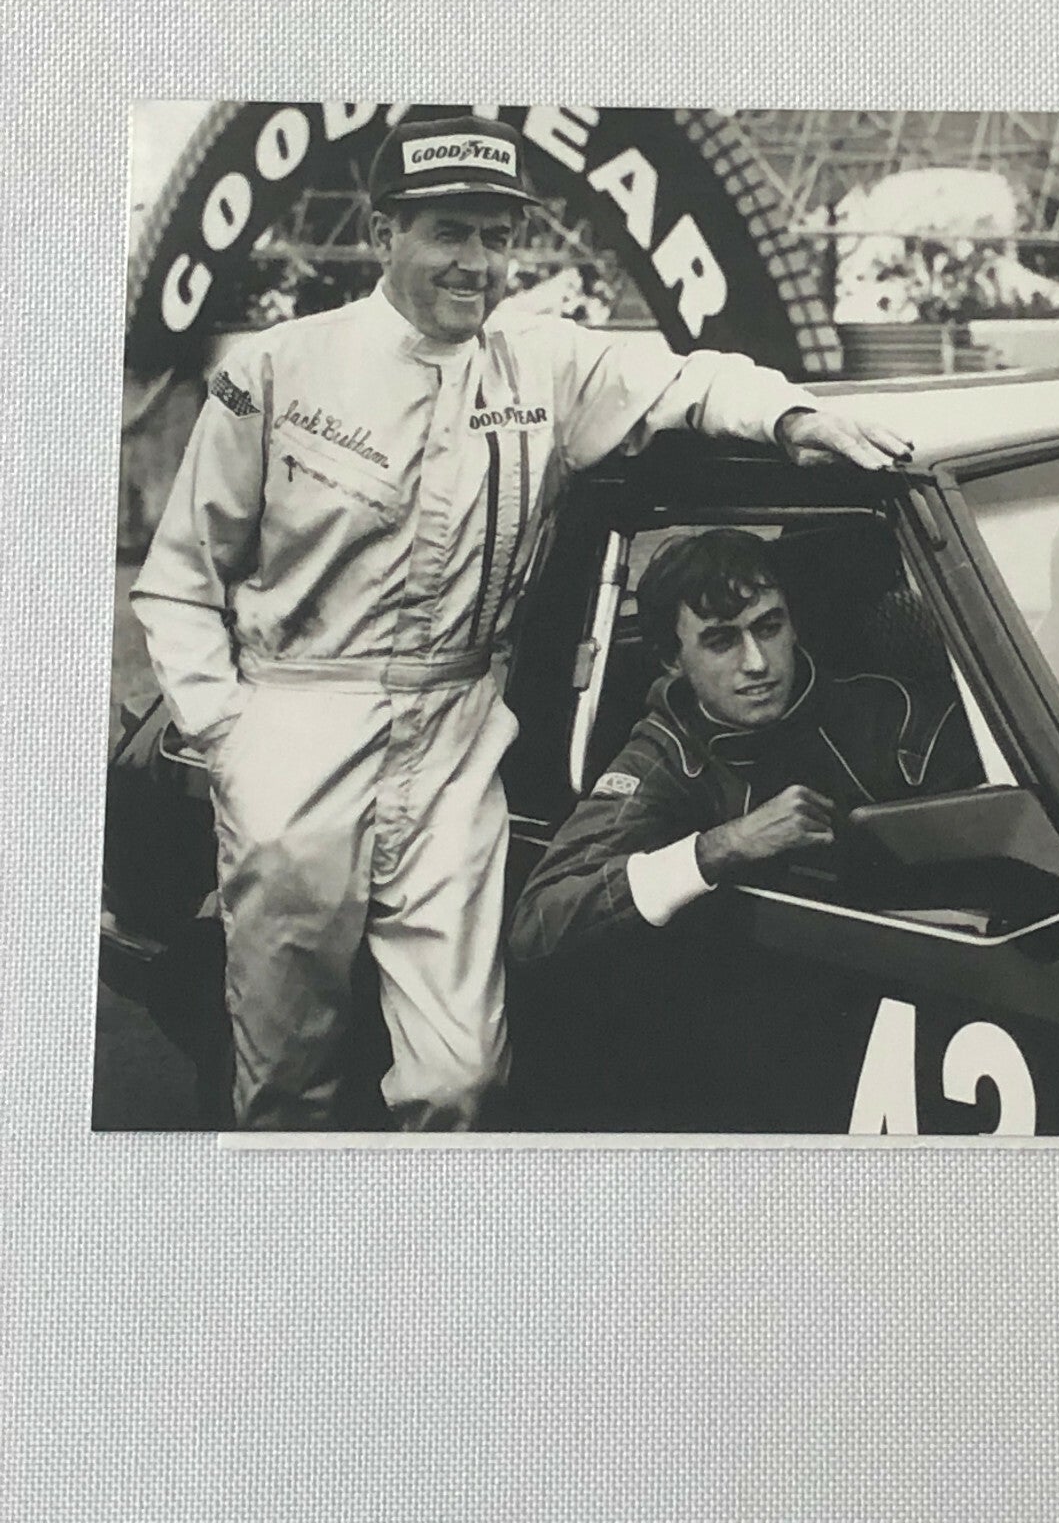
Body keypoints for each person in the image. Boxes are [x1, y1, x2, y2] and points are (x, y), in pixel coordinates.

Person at [131, 114, 911, 1131]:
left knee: (460, 1075)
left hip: (455, 735)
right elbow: (179, 579)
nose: (478, 262)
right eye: (450, 232)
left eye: (497, 237)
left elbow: (692, 378)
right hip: (296, 724)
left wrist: (793, 417)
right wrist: (234, 737)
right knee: (288, 1074)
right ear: (383, 233)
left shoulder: (544, 362)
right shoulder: (274, 369)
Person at [508, 528, 982, 964]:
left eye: (769, 627)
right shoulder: (664, 759)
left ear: (794, 627)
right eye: (721, 641)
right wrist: (721, 847)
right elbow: (538, 921)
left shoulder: (894, 714)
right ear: (672, 659)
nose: (756, 663)